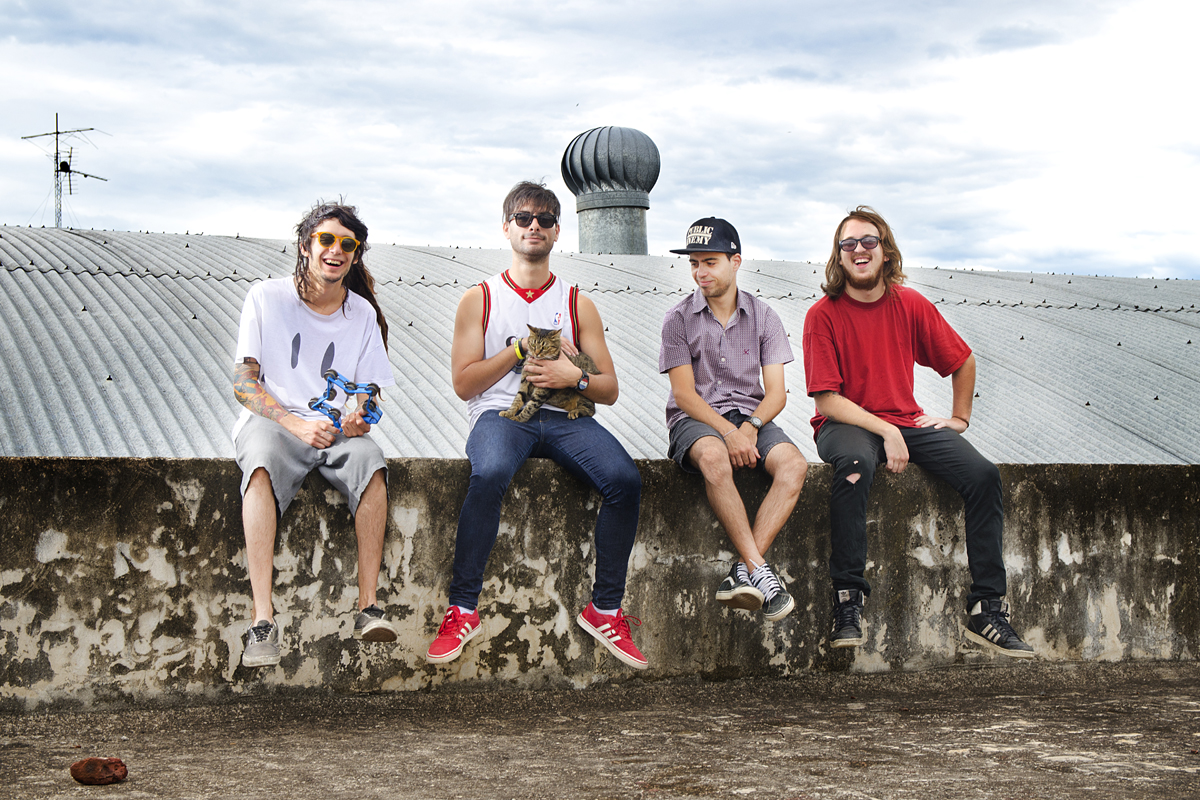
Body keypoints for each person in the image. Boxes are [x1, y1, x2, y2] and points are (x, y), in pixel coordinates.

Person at [425, 181, 647, 670]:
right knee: (488, 473)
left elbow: (609, 388)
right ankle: (462, 610)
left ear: (557, 231)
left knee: (625, 479)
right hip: (502, 415)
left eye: (545, 219)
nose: (534, 227)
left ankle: (605, 608)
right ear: (507, 227)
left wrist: (574, 377)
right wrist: (519, 350)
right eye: (524, 218)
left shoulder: (577, 303)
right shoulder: (480, 299)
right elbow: (464, 384)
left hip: (564, 418)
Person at [802, 205, 1034, 658]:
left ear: (885, 251)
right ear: (839, 256)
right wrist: (885, 430)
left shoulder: (909, 304)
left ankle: (987, 610)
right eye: (848, 243)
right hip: (844, 424)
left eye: (868, 241)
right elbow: (826, 399)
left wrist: (959, 418)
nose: (859, 249)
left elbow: (962, 360)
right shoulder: (822, 315)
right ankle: (847, 601)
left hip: (907, 422)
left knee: (983, 475)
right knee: (855, 465)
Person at [231, 201, 397, 668]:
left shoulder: (362, 314)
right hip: (277, 423)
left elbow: (370, 393)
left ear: (356, 254)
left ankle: (368, 608)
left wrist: (361, 418)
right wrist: (294, 423)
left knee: (372, 462)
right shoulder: (266, 297)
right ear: (306, 246)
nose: (336, 250)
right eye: (326, 239)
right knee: (260, 463)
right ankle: (262, 621)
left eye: (348, 244)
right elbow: (244, 383)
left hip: (331, 429)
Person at [659, 218, 809, 622]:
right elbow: (685, 394)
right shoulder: (677, 319)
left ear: (735, 261)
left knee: (794, 466)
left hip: (751, 417)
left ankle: (742, 571)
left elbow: (776, 393)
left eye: (710, 262)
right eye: (694, 264)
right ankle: (761, 571)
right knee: (714, 458)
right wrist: (727, 431)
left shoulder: (764, 316)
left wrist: (749, 428)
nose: (700, 272)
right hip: (697, 418)